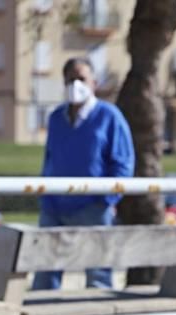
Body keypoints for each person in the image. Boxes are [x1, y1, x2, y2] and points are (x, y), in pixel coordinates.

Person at [32, 57, 134, 290]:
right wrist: (45, 197)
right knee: (44, 276)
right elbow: (50, 159)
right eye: (70, 79)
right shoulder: (56, 118)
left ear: (94, 83)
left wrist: (107, 200)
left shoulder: (109, 116)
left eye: (81, 79)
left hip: (93, 208)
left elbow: (123, 164)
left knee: (98, 275)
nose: (75, 84)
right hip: (54, 207)